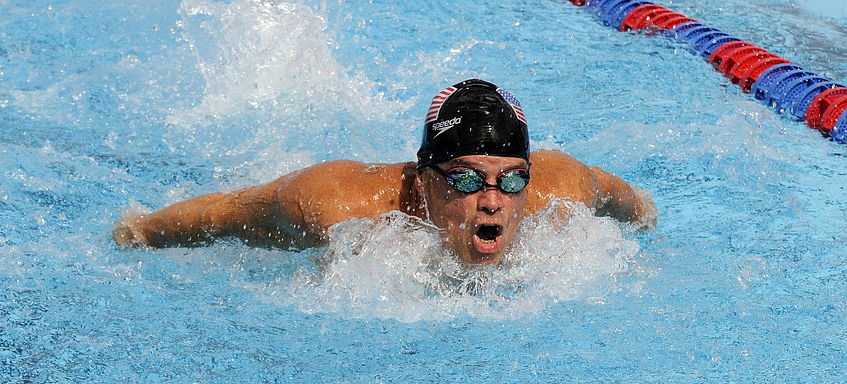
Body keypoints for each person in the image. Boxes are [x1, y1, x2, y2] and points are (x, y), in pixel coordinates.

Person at [113, 79, 656, 265]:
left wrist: (647, 217)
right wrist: (140, 230)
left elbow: (624, 198)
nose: (493, 201)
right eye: (466, 179)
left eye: (511, 179)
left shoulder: (560, 188)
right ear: (423, 179)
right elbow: (228, 212)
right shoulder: (334, 205)